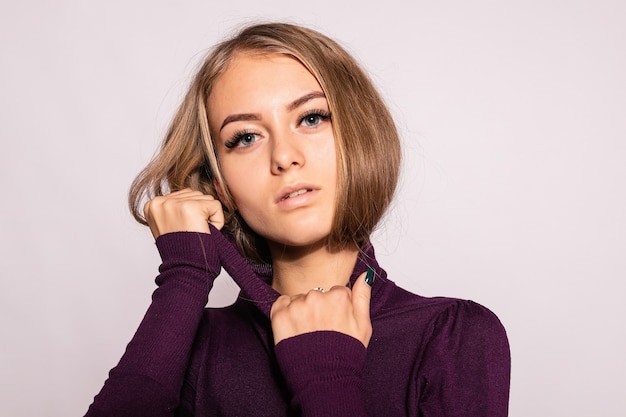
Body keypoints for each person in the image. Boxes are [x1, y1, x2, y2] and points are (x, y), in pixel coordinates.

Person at [85, 22, 510, 416]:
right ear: (219, 185)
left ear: (359, 134)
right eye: (246, 138)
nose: (285, 157)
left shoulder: (452, 337)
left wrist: (327, 378)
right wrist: (184, 273)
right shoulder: (192, 348)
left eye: (311, 117)